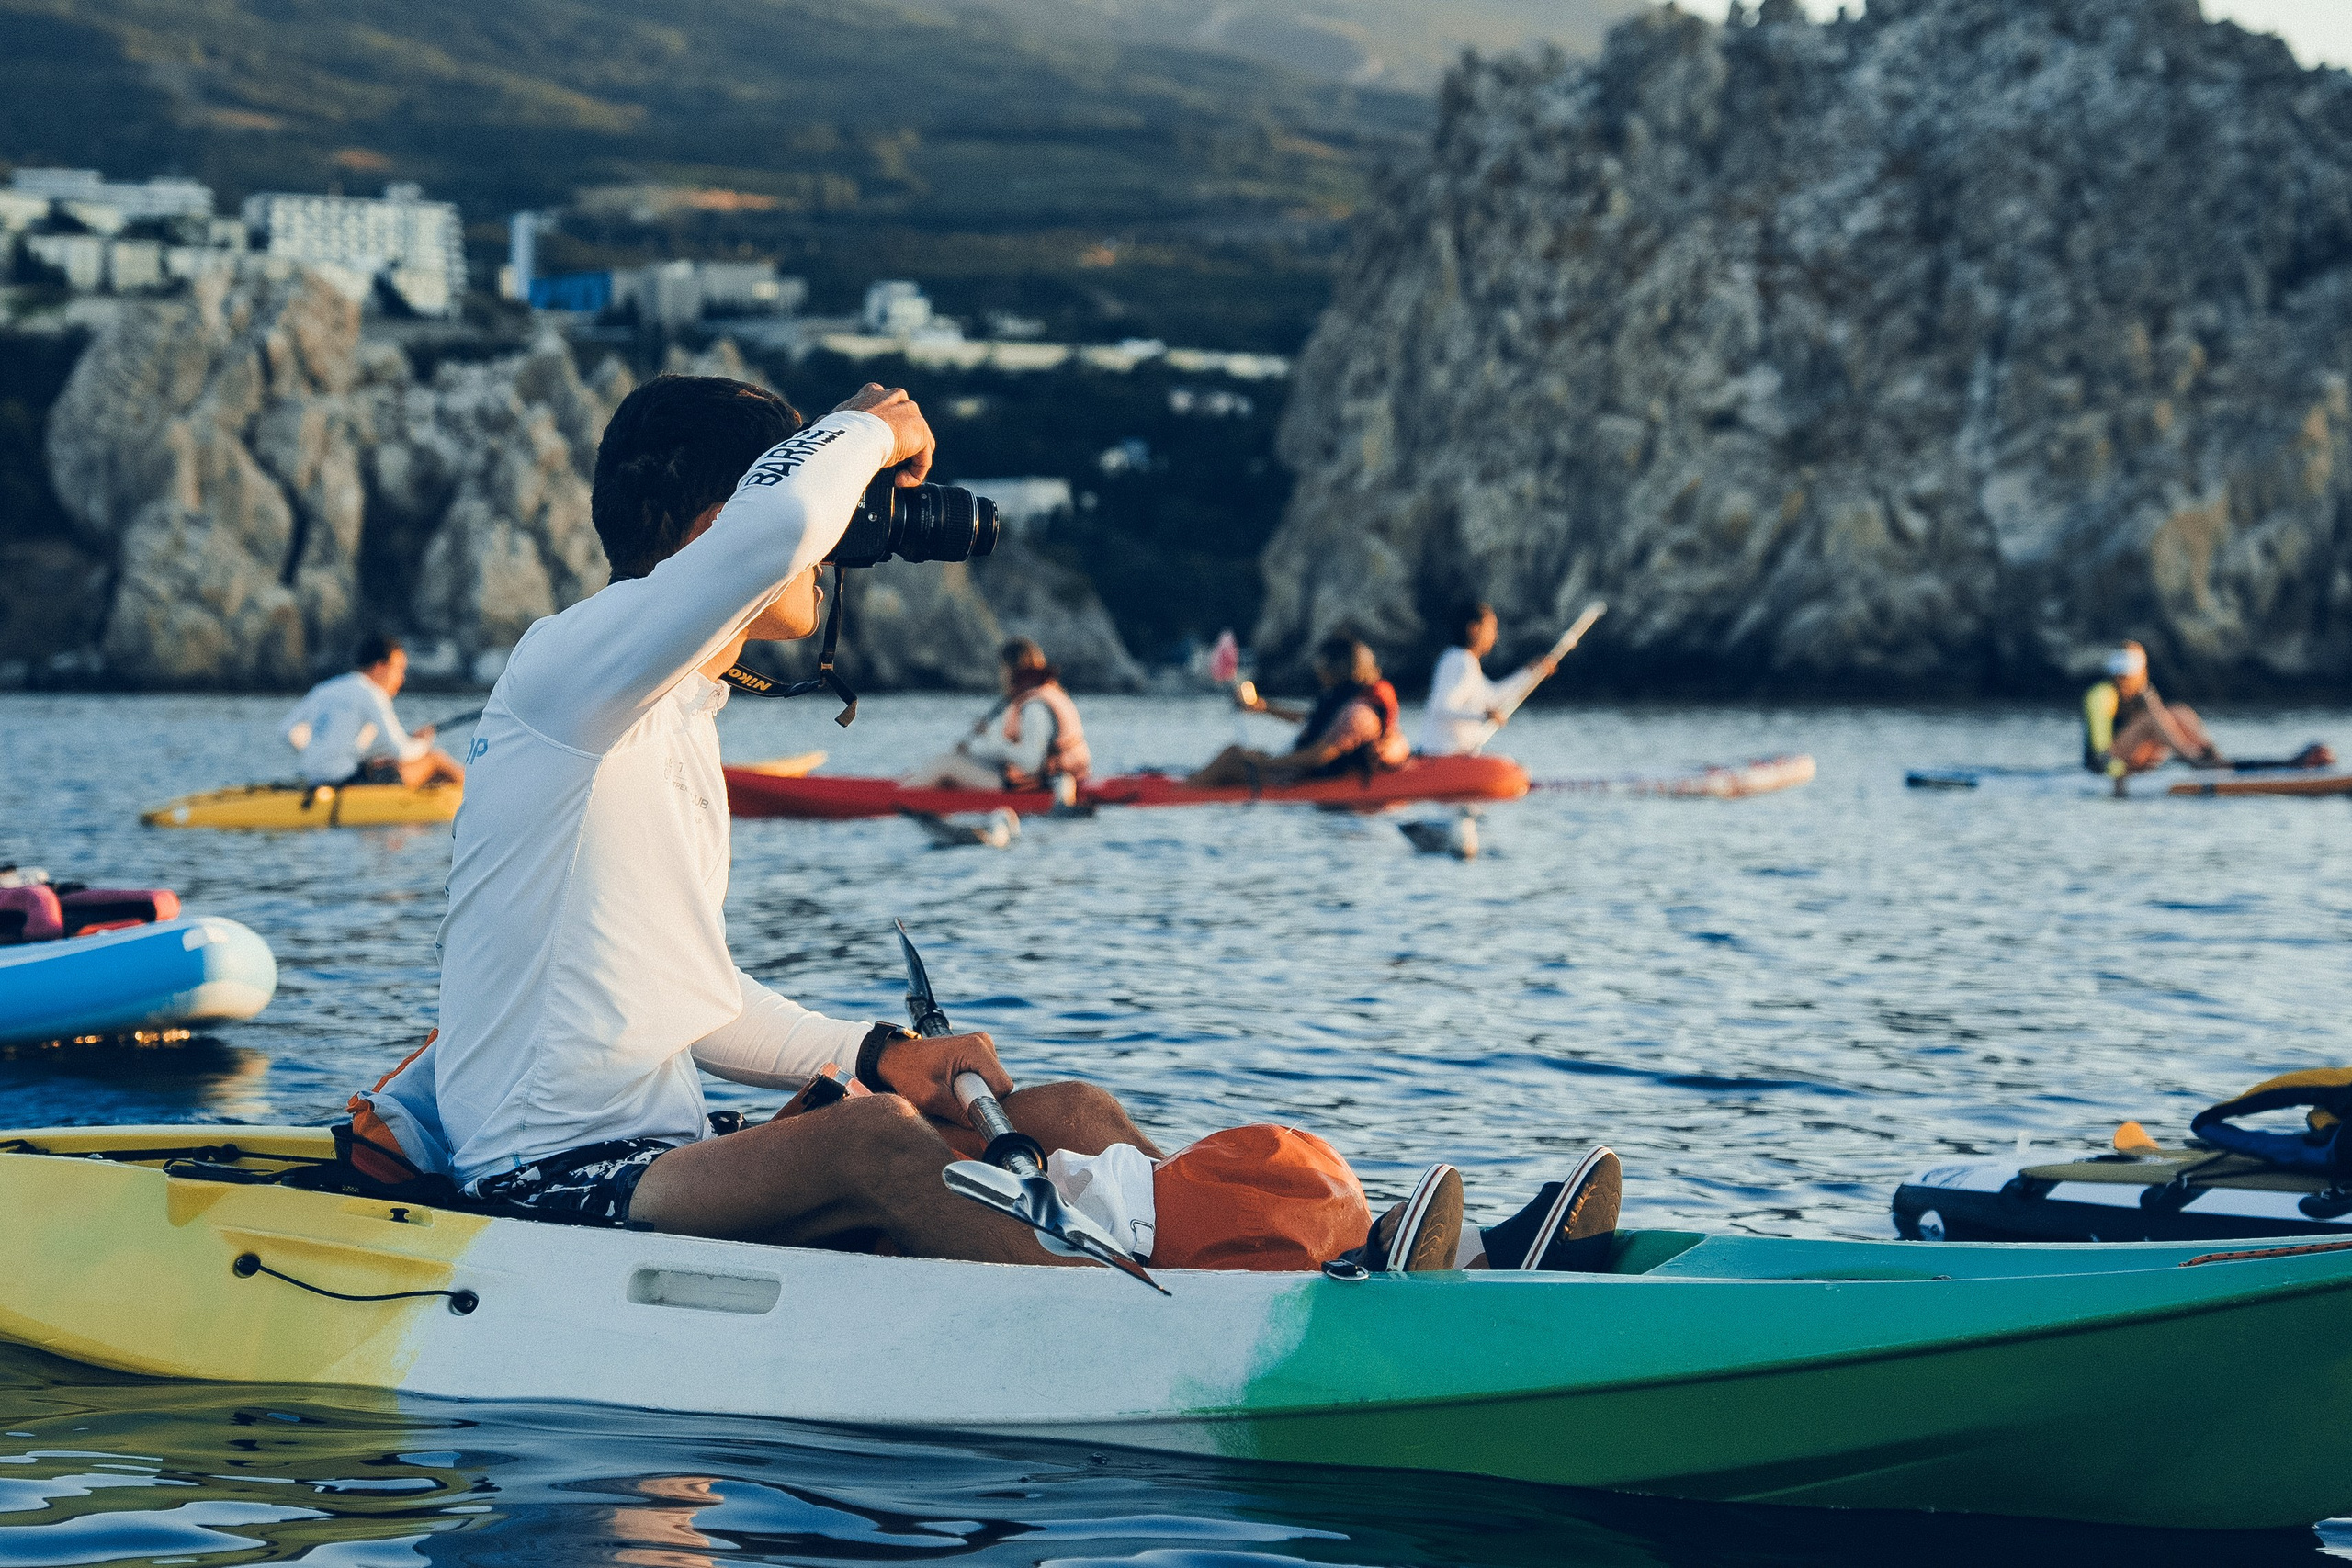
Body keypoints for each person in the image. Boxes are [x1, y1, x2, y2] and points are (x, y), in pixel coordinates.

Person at [1192, 634, 1410, 789]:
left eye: (1321, 664)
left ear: (1334, 668)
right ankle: (1191, 784)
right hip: (1307, 772)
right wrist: (1265, 708)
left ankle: (1183, 792)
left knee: (1231, 761)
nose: (1317, 670)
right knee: (1235, 752)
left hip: (1316, 779)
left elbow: (1318, 756)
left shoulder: (1359, 713)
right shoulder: (1346, 699)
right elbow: (1315, 721)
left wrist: (1265, 763)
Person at [899, 638, 1091, 796]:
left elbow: (1032, 763)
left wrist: (989, 741)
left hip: (1036, 787)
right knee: (952, 760)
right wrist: (972, 753)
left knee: (945, 765)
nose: (1001, 676)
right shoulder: (1048, 693)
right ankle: (910, 786)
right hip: (1035, 781)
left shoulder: (1035, 707)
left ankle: (899, 799)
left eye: (1003, 669)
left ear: (1012, 670)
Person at [281, 634, 466, 787]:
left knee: (386, 762)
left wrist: (323, 753)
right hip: (347, 782)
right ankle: (478, 798)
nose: (401, 679)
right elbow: (401, 750)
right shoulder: (371, 693)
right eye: (399, 669)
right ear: (379, 667)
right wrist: (423, 743)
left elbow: (286, 731)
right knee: (435, 759)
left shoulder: (324, 689)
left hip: (311, 780)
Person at [1419, 601, 1560, 756]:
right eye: (1491, 628)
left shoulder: (1458, 659)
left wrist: (1530, 672)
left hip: (1451, 757)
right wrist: (1484, 715)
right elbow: (1442, 708)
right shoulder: (1461, 661)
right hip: (1443, 756)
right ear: (1473, 629)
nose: (1495, 636)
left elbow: (1494, 697)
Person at [2083, 641, 2223, 775]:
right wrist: (2119, 775)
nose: (2123, 680)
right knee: (2152, 718)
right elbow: (2099, 754)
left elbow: (2164, 726)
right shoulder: (2102, 695)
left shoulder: (2145, 692)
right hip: (2107, 764)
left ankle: (2212, 756)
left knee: (2178, 711)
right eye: (2120, 675)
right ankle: (2191, 759)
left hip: (2137, 760)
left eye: (2127, 676)